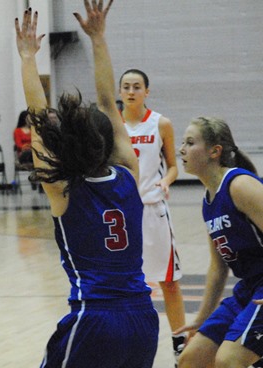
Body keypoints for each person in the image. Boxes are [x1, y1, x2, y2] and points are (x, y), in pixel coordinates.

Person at [15, 2, 158, 367]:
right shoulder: (128, 172)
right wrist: (98, 39)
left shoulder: (63, 188)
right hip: (144, 317)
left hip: (94, 318)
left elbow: (36, 116)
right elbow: (111, 103)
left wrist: (28, 57)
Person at [174, 117, 263, 368]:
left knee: (228, 361)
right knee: (190, 360)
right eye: (182, 143)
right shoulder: (209, 201)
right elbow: (218, 267)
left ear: (215, 151)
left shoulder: (240, 185)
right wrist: (202, 318)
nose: (182, 149)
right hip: (249, 288)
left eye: (190, 143)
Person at [119, 68, 186, 361]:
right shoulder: (112, 126)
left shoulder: (161, 124)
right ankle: (127, 344)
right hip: (122, 214)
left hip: (153, 210)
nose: (131, 91)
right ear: (120, 92)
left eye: (137, 87)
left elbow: (173, 166)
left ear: (147, 91)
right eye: (126, 87)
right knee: (125, 283)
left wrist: (166, 180)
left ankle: (180, 343)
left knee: (169, 281)